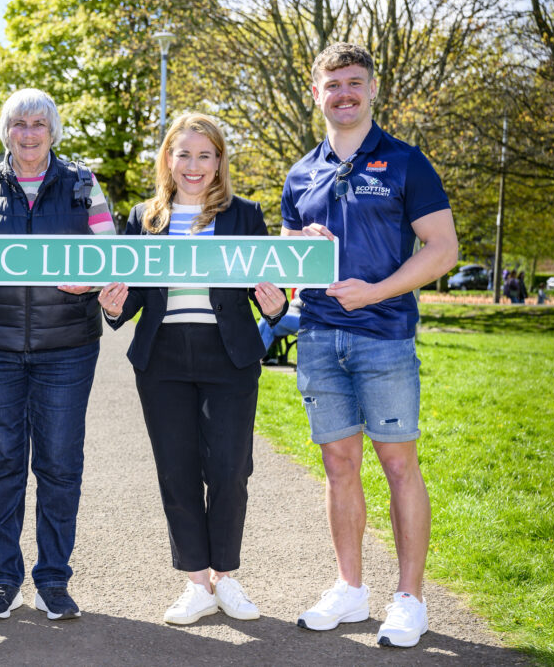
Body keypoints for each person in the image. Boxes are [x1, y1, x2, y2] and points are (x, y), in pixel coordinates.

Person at [280, 44, 457, 648]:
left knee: (397, 462)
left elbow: (442, 249)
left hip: (384, 339)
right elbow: (285, 256)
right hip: (318, 336)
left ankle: (410, 598)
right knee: (338, 465)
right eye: (333, 85)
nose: (344, 94)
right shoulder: (301, 172)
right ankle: (351, 589)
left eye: (354, 83)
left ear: (373, 89)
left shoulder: (408, 163)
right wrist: (299, 241)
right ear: (316, 94)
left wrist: (378, 291)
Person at [99, 113, 288, 626]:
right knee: (177, 470)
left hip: (228, 353)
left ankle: (227, 577)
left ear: (220, 161)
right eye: (184, 154)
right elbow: (132, 294)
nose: (194, 165)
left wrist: (274, 305)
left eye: (206, 155)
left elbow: (268, 286)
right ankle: (197, 584)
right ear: (168, 159)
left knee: (229, 467)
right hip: (162, 357)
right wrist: (114, 305)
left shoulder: (244, 214)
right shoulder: (145, 216)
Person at [0, 88, 115, 621]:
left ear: (53, 130)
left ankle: (53, 581)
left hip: (66, 347)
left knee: (60, 464)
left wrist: (90, 283)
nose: (28, 133)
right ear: (5, 130)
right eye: (18, 123)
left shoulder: (84, 185)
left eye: (39, 123)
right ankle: (3, 581)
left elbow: (111, 259)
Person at [259, 293, 302, 364]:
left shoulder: (314, 287)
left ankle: (252, 341)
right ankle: (257, 357)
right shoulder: (298, 287)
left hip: (303, 319)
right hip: (290, 316)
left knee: (270, 315)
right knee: (269, 327)